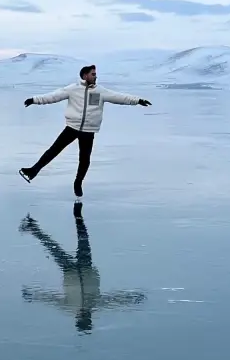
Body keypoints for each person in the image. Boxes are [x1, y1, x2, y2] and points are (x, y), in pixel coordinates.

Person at [19, 64, 150, 198]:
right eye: (93, 74)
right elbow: (53, 97)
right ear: (85, 75)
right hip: (72, 127)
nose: (95, 76)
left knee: (84, 159)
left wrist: (138, 100)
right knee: (53, 150)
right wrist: (34, 100)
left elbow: (120, 97)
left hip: (88, 131)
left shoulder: (100, 91)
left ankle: (78, 183)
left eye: (95, 74)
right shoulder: (73, 89)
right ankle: (33, 171)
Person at [19, 204, 146, 333]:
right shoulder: (96, 305)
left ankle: (34, 227)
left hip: (70, 272)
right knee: (82, 241)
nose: (86, 315)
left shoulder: (69, 307)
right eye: (87, 318)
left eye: (84, 318)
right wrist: (131, 297)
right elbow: (115, 300)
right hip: (86, 269)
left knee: (54, 248)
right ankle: (79, 219)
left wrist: (34, 295)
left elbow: (50, 299)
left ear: (78, 318)